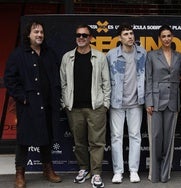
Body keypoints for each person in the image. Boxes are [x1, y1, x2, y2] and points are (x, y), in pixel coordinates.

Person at [4, 20, 62, 188]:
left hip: (48, 103)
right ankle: (20, 173)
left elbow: (57, 76)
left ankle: (48, 169)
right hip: (28, 105)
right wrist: (22, 97)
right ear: (28, 35)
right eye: (36, 32)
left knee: (46, 137)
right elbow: (9, 79)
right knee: (23, 140)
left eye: (41, 32)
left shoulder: (49, 53)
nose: (39, 35)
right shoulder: (18, 54)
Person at [60, 24, 110, 188]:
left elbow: (106, 83)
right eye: (78, 35)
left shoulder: (100, 57)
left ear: (91, 38)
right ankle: (83, 169)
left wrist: (105, 104)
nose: (81, 38)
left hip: (96, 108)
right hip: (74, 108)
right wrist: (65, 103)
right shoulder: (67, 57)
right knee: (79, 142)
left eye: (84, 35)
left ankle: (96, 174)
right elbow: (63, 83)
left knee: (97, 142)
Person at [106, 23, 146, 184]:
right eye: (126, 34)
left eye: (131, 33)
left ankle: (133, 170)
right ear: (119, 38)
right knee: (116, 137)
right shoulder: (111, 55)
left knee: (135, 136)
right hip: (117, 102)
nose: (130, 36)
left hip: (136, 102)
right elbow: (106, 79)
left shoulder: (143, 53)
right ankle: (118, 171)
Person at [145, 25, 181, 183]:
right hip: (155, 101)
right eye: (163, 36)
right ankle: (154, 174)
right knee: (155, 138)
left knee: (169, 141)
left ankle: (165, 175)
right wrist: (149, 101)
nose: (166, 39)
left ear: (172, 37)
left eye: (169, 36)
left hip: (173, 101)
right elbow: (148, 78)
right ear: (159, 39)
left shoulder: (179, 56)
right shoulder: (152, 55)